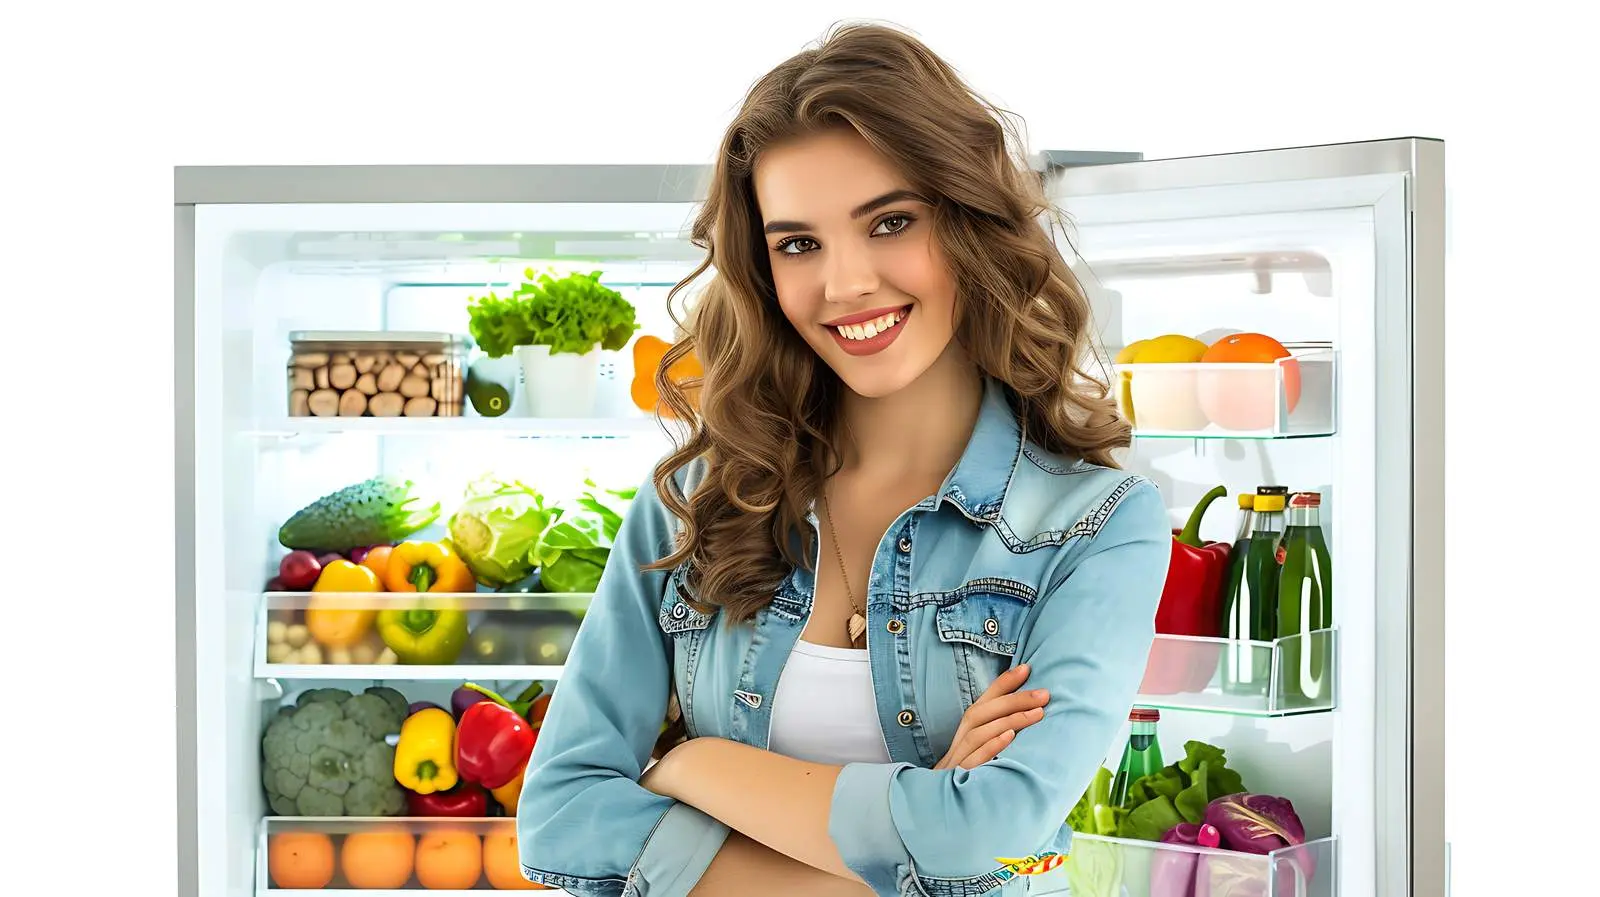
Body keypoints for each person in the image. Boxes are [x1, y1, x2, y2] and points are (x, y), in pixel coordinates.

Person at [515, 20, 1171, 897]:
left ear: (969, 224)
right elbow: (559, 816)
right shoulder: (694, 502)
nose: (845, 283)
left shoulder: (1094, 524)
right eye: (798, 244)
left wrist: (695, 764)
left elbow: (1000, 829)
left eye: (890, 222)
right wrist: (914, 842)